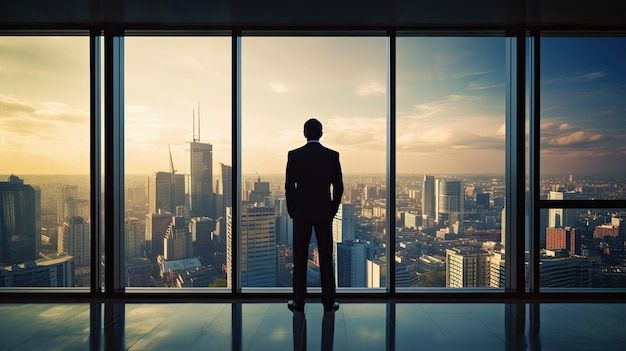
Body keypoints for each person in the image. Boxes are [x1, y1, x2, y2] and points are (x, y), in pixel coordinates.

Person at [285, 118, 343, 313]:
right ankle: (328, 302)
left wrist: (293, 210)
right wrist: (332, 210)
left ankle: (298, 302)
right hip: (323, 213)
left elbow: (288, 186)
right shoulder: (332, 156)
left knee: (299, 258)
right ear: (321, 133)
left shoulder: (294, 155)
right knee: (326, 257)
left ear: (304, 133)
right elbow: (339, 187)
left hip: (301, 214)